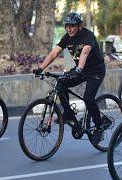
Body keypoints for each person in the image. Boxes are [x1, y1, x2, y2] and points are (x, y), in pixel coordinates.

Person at [33, 12, 106, 144]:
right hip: (80, 70)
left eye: (72, 26)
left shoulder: (88, 35)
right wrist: (41, 68)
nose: (69, 29)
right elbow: (54, 53)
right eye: (67, 26)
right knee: (61, 83)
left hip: (95, 71)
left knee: (88, 98)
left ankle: (99, 126)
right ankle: (68, 114)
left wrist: (78, 69)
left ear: (79, 26)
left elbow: (84, 52)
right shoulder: (67, 37)